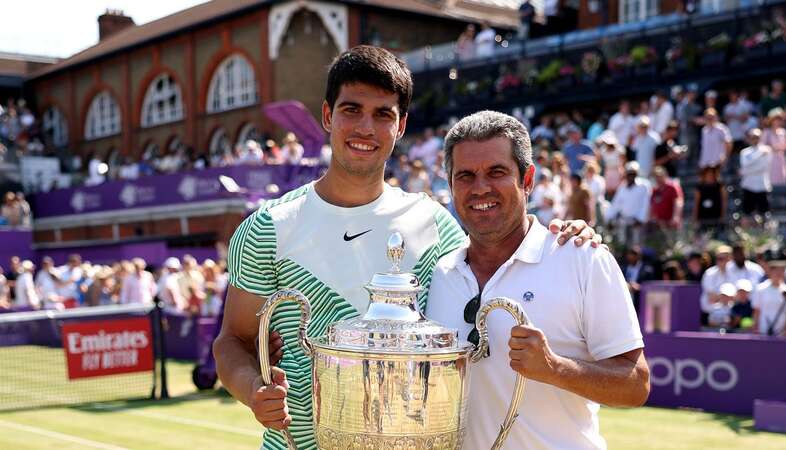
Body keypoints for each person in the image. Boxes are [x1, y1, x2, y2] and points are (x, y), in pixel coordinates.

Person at [213, 47, 600, 450]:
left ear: (401, 126)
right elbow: (232, 342)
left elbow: (505, 253)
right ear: (328, 116)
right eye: (352, 110)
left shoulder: (436, 225)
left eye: (383, 114)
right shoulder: (268, 227)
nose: (366, 127)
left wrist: (567, 235)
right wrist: (255, 390)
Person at [426, 110, 649, 450]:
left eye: (496, 172)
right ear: (451, 185)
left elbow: (636, 384)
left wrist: (555, 368)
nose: (480, 188)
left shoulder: (582, 258)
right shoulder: (442, 273)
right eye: (465, 176)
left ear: (527, 179)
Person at [607, 162, 651, 246]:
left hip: (637, 222)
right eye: (629, 173)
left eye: (633, 173)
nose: (631, 176)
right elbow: (616, 203)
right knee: (623, 245)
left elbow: (645, 203)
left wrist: (640, 219)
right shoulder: (622, 186)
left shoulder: (644, 186)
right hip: (624, 222)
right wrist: (610, 218)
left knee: (636, 246)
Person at [752, 261, 786, 336]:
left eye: (781, 270)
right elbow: (756, 311)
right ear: (770, 272)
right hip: (764, 331)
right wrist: (755, 327)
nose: (779, 273)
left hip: (782, 334)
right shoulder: (760, 289)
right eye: (776, 270)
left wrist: (785, 328)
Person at [739, 128, 772, 217]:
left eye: (757, 137)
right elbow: (745, 165)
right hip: (748, 185)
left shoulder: (767, 150)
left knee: (764, 212)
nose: (755, 139)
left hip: (762, 185)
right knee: (747, 212)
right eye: (752, 137)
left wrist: (748, 169)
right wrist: (759, 155)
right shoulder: (744, 152)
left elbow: (764, 167)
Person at [699, 246, 736, 326]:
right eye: (719, 258)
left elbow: (738, 297)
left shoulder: (736, 273)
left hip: (732, 317)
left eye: (725, 258)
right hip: (710, 316)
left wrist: (720, 297)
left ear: (730, 258)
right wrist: (726, 297)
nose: (721, 261)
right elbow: (711, 298)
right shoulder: (709, 273)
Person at [760, 108, 786, 187]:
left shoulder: (783, 132)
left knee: (782, 180)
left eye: (779, 120)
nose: (778, 122)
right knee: (770, 181)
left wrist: (781, 148)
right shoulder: (766, 132)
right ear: (771, 121)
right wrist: (772, 148)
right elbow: (761, 146)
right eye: (776, 119)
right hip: (770, 159)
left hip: (781, 159)